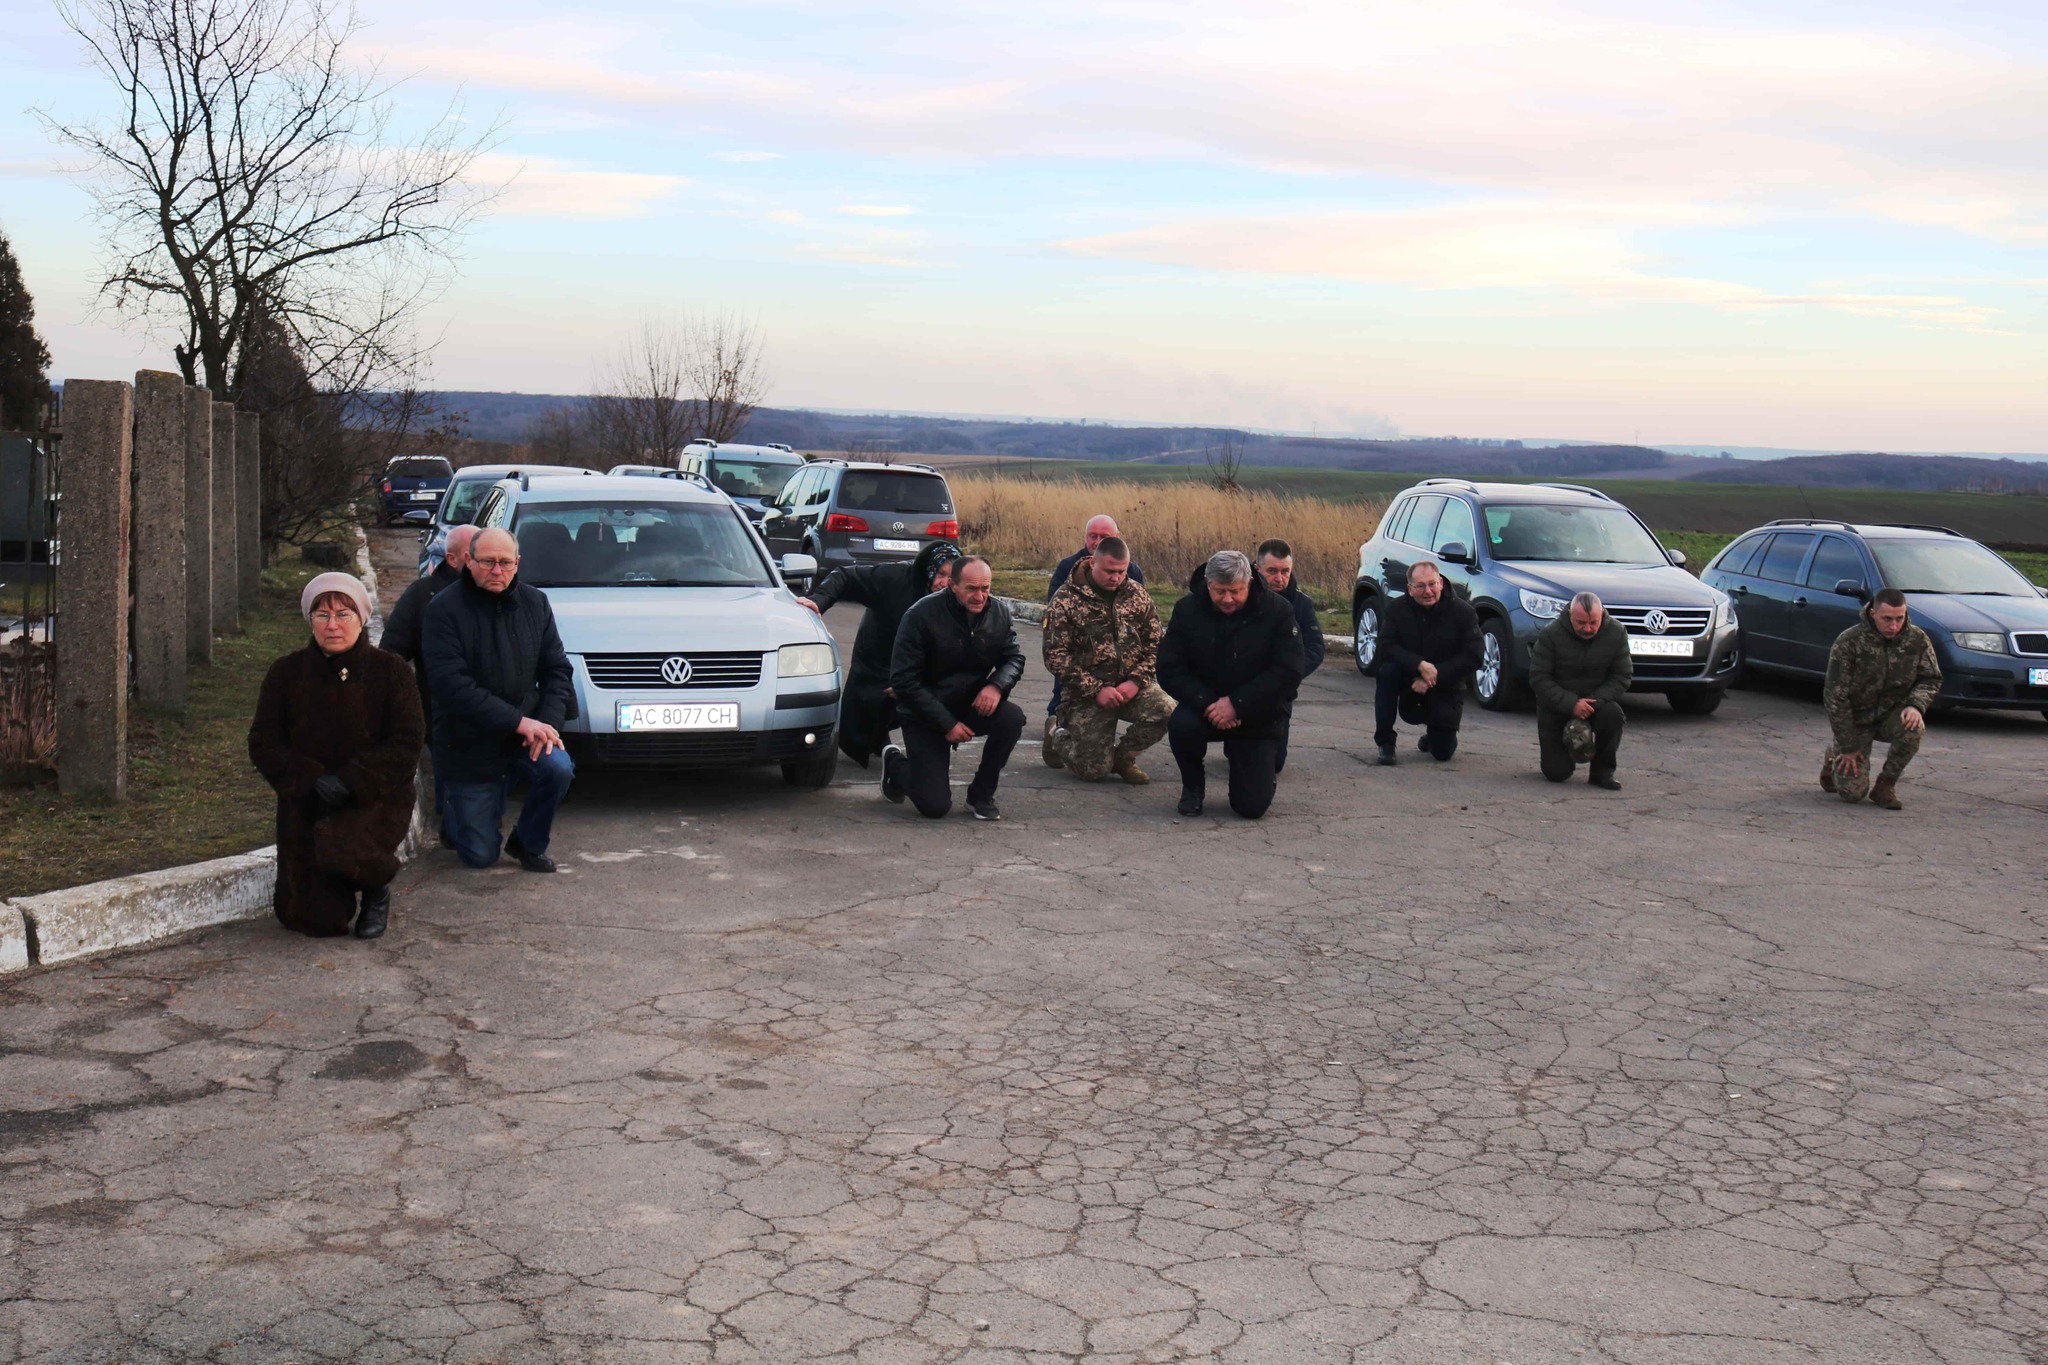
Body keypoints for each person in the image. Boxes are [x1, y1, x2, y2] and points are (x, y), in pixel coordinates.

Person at [248, 573, 424, 939]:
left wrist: (351, 780)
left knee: (342, 845)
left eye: (343, 615)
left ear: (361, 619)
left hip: (374, 798)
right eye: (322, 615)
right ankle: (338, 884)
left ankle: (376, 886)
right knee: (313, 921)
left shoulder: (390, 672)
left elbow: (406, 742)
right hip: (308, 798)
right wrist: (309, 779)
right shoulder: (286, 672)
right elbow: (264, 741)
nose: (332, 625)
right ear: (309, 620)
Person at [422, 527, 576, 871]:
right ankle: (457, 809)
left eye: (505, 563)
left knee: (558, 769)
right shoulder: (442, 610)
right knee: (479, 856)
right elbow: (452, 686)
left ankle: (529, 843)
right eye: (487, 562)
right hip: (467, 742)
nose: (497, 571)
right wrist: (518, 721)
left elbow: (557, 671)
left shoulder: (535, 603)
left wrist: (547, 726)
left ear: (517, 563)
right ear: (468, 561)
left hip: (524, 732)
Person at [1158, 550, 1305, 818]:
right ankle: (1192, 787)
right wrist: (1208, 702)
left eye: (1235, 591)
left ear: (1248, 583)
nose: (1227, 599)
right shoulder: (1186, 610)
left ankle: (1257, 774)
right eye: (1219, 591)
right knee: (1181, 725)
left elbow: (1288, 671)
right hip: (1205, 705)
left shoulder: (1278, 611)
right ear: (1207, 583)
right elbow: (1169, 668)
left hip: (1257, 711)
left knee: (1251, 808)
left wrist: (1238, 704)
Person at [884, 556, 1027, 820]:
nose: (980, 596)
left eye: (985, 588)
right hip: (924, 712)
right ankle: (894, 764)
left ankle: (981, 795)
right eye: (972, 588)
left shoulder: (999, 613)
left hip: (968, 703)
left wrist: (996, 686)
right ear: (952, 584)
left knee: (1012, 718)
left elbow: (1014, 658)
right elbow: (904, 680)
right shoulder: (920, 615)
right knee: (934, 806)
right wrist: (946, 723)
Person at [798, 541, 961, 765]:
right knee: (859, 724)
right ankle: (883, 747)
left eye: (952, 578)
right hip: (876, 663)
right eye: (941, 574)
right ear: (929, 569)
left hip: (918, 670)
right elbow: (846, 576)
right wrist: (818, 602)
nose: (945, 583)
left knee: (929, 703)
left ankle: (921, 758)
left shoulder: (958, 597)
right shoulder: (894, 578)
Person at [1042, 535, 1173, 784]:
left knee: (1167, 710)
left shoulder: (1137, 595)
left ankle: (1123, 758)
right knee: (1092, 771)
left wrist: (1136, 680)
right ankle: (1056, 732)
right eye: (1110, 571)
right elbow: (1055, 656)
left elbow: (1157, 643)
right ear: (1093, 563)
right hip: (1087, 694)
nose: (1116, 578)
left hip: (1130, 687)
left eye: (1122, 571)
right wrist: (1096, 689)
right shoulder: (1065, 600)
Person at [378, 522, 476, 837]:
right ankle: (453, 817)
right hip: (441, 707)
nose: (488, 562)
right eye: (477, 554)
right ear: (454, 560)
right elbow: (392, 653)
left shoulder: (498, 592)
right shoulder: (423, 596)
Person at [1821, 588, 1942, 810]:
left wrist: (1916, 705)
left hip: (1891, 714)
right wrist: (1848, 745)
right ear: (1873, 613)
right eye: (1887, 619)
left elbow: (1931, 679)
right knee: (1853, 794)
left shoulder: (1917, 639)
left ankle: (1885, 785)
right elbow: (1835, 696)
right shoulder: (1849, 642)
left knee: (1914, 728)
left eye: (1899, 618)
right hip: (1857, 720)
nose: (1893, 626)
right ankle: (1833, 759)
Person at [1045, 514, 1146, 746]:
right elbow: (1054, 613)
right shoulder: (1067, 568)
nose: (1097, 542)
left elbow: (1141, 618)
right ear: (1085, 537)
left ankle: (1124, 754)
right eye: (1093, 536)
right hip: (1080, 649)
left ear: (1117, 539)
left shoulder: (1134, 572)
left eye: (1105, 537)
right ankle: (1058, 723)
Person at [1374, 561, 1483, 764]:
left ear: (1441, 582)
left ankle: (1433, 736)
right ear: (1410, 589)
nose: (1428, 591)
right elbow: (1385, 647)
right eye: (1421, 586)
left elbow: (1474, 656)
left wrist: (1434, 675)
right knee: (1387, 672)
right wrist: (1419, 665)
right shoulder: (1396, 609)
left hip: (1446, 683)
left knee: (1443, 753)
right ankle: (1385, 743)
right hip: (1408, 678)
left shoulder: (1464, 613)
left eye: (1432, 584)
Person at [1529, 591, 1632, 790]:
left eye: (1593, 622)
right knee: (1556, 773)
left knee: (1614, 715)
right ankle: (1570, 749)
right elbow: (1538, 678)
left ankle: (1602, 772)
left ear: (1601, 614)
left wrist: (1593, 702)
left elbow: (1622, 676)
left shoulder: (1617, 632)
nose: (1587, 628)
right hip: (1557, 708)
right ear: (1569, 616)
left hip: (1596, 704)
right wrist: (1571, 704)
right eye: (1581, 623)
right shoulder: (1551, 634)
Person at [1254, 539, 1325, 773]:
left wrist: (1289, 675)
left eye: (1285, 571)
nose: (1279, 578)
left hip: (1280, 687)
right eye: (1272, 571)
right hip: (1243, 679)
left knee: (1275, 764)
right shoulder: (1241, 598)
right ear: (1257, 569)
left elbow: (1314, 648)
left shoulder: (1302, 604)